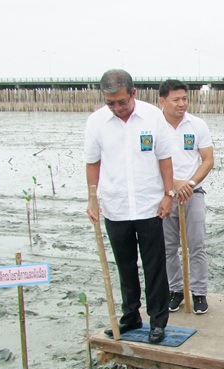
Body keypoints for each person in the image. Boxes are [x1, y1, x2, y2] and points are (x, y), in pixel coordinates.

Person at [84, 69, 175, 344]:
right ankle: (130, 317)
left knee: (154, 266)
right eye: (110, 103)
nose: (117, 108)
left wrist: (168, 194)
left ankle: (158, 321)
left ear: (133, 93)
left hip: (150, 206)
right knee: (125, 266)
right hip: (116, 206)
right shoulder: (96, 122)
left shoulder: (152, 117)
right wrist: (92, 197)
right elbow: (92, 162)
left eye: (122, 101)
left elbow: (165, 158)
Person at [158, 79, 214, 315]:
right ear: (162, 101)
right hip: (164, 194)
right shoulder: (154, 125)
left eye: (185, 99)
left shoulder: (197, 125)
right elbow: (150, 162)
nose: (182, 104)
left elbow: (208, 160)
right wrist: (173, 185)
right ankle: (176, 290)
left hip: (193, 192)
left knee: (197, 245)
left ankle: (199, 292)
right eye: (176, 100)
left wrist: (189, 184)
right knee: (168, 247)